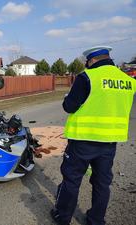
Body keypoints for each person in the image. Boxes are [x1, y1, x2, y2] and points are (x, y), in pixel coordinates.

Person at [51, 46, 136, 225]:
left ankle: (63, 217)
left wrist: (69, 98)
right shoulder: (128, 80)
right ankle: (96, 220)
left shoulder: (87, 77)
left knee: (72, 181)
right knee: (101, 184)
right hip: (109, 143)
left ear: (92, 60)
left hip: (83, 140)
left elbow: (69, 106)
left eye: (87, 62)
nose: (86, 65)